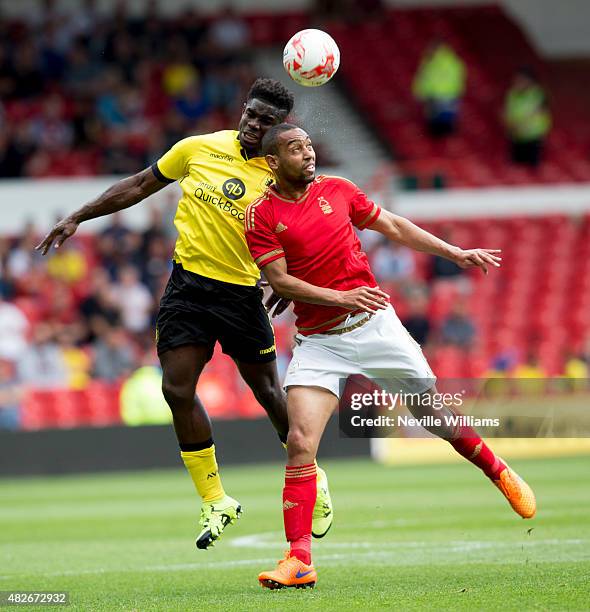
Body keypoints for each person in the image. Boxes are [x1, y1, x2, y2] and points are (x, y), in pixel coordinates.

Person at [36, 79, 332, 550]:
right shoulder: (197, 149)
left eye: (266, 122)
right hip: (188, 287)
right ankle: (215, 499)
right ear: (243, 110)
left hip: (240, 295)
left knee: (268, 391)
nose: (254, 125)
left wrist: (291, 279)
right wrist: (78, 216)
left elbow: (311, 227)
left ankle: (309, 472)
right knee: (175, 388)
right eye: (251, 114)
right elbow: (138, 184)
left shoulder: (283, 174)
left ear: (280, 131)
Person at [245, 124, 536, 589]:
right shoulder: (261, 215)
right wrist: (341, 299)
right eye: (295, 148)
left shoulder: (339, 191)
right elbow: (279, 283)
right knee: (300, 440)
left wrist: (454, 251)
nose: (308, 153)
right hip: (320, 341)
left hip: (377, 327)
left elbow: (395, 224)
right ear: (273, 162)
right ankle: (299, 559)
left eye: (309, 145)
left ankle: (496, 470)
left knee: (436, 418)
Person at [412, 39, 466, 137]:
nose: (429, 49)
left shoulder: (446, 62)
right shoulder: (430, 61)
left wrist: (422, 93)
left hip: (442, 97)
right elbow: (422, 78)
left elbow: (431, 79)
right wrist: (420, 93)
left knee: (442, 125)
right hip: (436, 97)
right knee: (435, 126)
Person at [503, 67, 551, 167]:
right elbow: (508, 111)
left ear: (529, 81)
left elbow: (540, 112)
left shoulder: (538, 94)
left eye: (521, 80)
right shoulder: (511, 94)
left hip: (533, 136)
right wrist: (510, 124)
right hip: (516, 134)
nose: (518, 82)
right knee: (516, 167)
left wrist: (522, 124)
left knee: (532, 167)